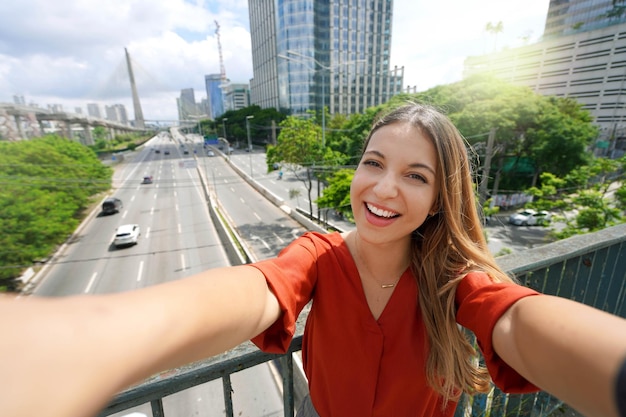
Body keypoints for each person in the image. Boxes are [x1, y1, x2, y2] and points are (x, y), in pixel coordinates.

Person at [1, 103, 625, 417]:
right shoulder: (319, 257)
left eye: (415, 175)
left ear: (439, 201)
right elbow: (256, 291)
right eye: (373, 163)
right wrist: (83, 342)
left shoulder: (455, 281)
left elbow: (517, 321)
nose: (383, 189)